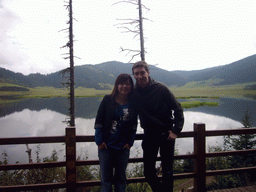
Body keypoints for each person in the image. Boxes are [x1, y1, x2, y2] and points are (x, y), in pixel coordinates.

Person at [132, 61, 184, 192]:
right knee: (148, 173)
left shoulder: (161, 88)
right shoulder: (134, 92)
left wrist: (176, 130)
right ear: (133, 75)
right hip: (149, 135)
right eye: (136, 74)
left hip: (166, 135)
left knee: (167, 172)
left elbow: (178, 109)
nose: (139, 76)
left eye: (142, 72)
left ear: (148, 73)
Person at [94, 73, 137, 192]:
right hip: (106, 147)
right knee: (106, 181)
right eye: (121, 83)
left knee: (121, 180)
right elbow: (99, 121)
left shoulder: (133, 103)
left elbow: (134, 125)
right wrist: (99, 141)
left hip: (123, 148)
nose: (124, 86)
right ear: (117, 85)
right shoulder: (107, 99)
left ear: (131, 86)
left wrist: (130, 143)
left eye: (128, 84)